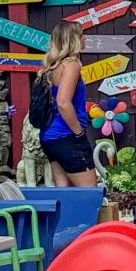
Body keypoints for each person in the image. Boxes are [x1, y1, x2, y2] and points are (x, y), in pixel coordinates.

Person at [37, 21, 97, 187]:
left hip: (49, 137)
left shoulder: (52, 67)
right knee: (89, 195)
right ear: (74, 40)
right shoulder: (71, 65)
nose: (85, 38)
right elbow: (63, 102)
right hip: (67, 136)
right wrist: (78, 132)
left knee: (64, 193)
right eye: (82, 35)